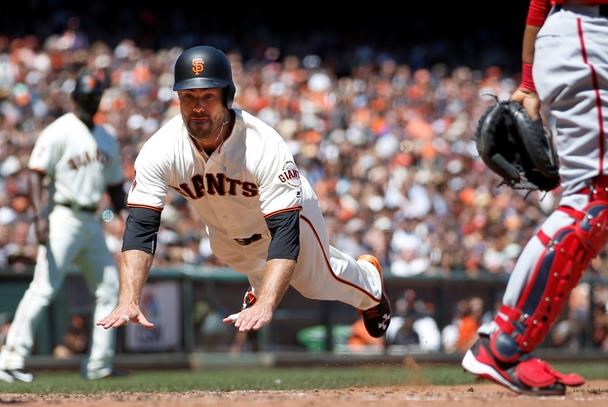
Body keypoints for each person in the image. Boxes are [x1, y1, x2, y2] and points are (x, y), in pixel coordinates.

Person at [97, 46, 391, 341]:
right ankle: (260, 282)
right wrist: (129, 298)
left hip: (288, 215)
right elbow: (141, 227)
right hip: (228, 233)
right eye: (189, 97)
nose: (197, 107)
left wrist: (266, 303)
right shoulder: (161, 149)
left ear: (227, 97)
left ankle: (371, 285)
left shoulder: (263, 145)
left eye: (208, 96)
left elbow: (285, 235)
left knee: (317, 282)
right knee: (227, 251)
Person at [462, 0, 608, 395]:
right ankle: (503, 344)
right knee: (594, 203)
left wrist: (530, 81)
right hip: (598, 31)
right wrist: (527, 82)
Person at [0, 70, 126, 382]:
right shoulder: (59, 131)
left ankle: (99, 365)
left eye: (94, 96)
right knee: (44, 288)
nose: (90, 101)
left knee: (109, 288)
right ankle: (10, 359)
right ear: (75, 99)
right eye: (86, 96)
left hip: (92, 222)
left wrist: (127, 217)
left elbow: (115, 186)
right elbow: (35, 174)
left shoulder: (106, 137)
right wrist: (39, 218)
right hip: (63, 217)